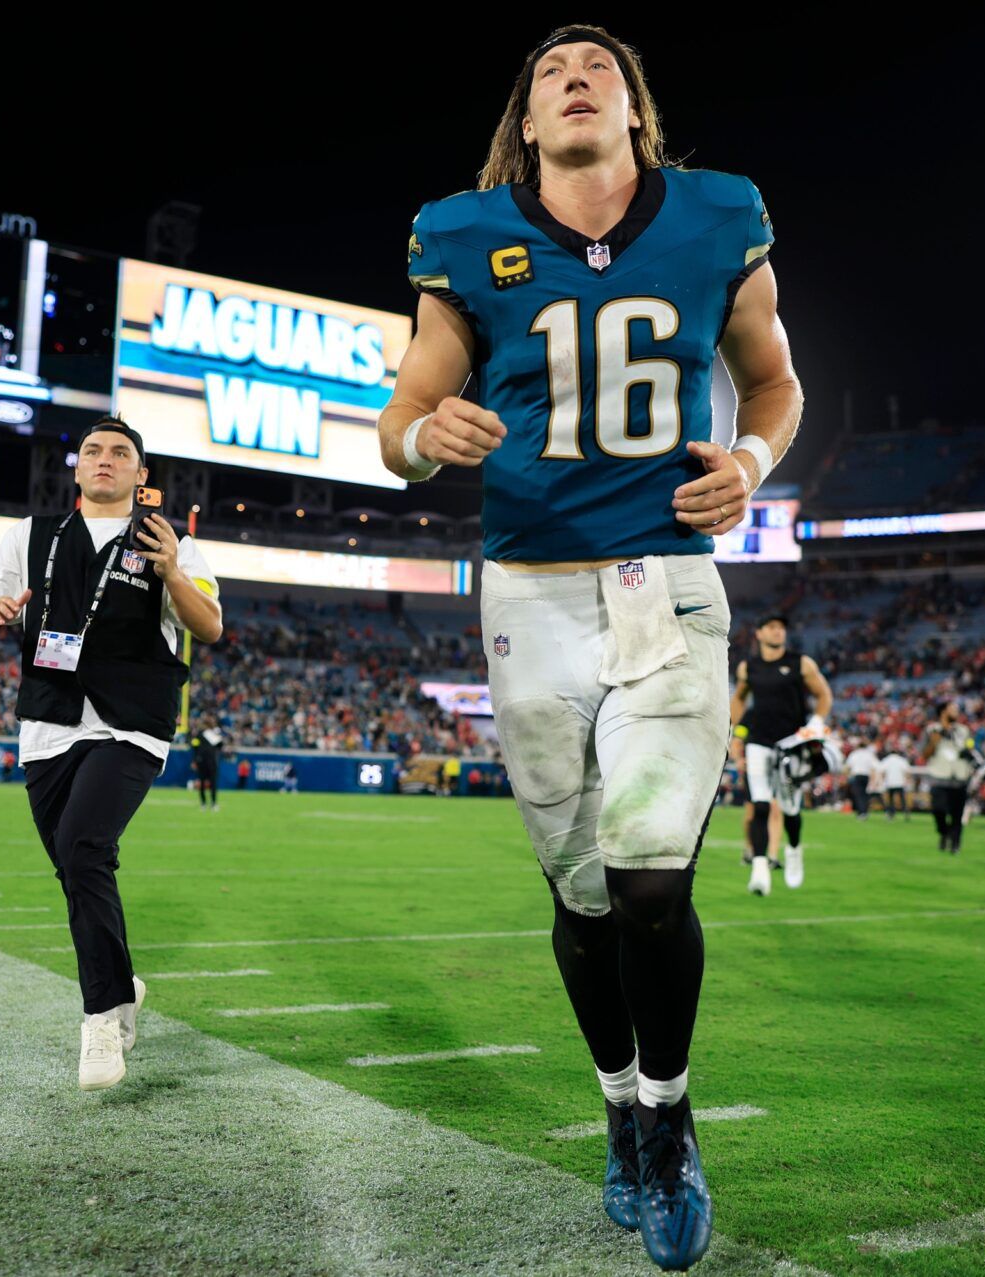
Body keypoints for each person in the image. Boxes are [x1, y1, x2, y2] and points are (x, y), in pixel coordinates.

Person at [383, 25, 802, 1268]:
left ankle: (668, 1121)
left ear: (634, 109)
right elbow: (400, 418)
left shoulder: (720, 216)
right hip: (527, 593)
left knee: (651, 876)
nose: (575, 76)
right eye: (551, 70)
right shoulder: (465, 233)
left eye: (599, 67)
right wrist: (425, 441)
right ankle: (618, 1103)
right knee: (578, 895)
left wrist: (749, 463)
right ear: (526, 118)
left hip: (665, 587)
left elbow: (773, 382)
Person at [0, 416, 222, 1093]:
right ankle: (122, 982)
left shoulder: (172, 543)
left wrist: (171, 574)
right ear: (76, 468)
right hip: (47, 726)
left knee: (81, 848)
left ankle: (102, 1017)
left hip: (130, 725)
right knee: (77, 868)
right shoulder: (31, 535)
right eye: (94, 452)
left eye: (121, 453)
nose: (105, 461)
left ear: (141, 475)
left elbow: (211, 626)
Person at [731, 615, 833, 895]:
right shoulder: (747, 667)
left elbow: (824, 695)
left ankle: (794, 850)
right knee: (760, 805)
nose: (778, 632)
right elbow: (739, 698)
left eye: (781, 627)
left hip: (792, 743)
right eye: (772, 627)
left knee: (790, 809)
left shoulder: (801, 663)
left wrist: (816, 723)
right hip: (759, 741)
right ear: (760, 633)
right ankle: (760, 867)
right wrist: (736, 733)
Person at [924, 703, 977, 855]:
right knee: (938, 810)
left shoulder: (963, 730)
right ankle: (944, 832)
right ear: (943, 712)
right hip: (939, 776)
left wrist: (969, 752)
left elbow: (970, 748)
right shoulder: (932, 730)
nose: (956, 712)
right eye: (952, 709)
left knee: (957, 813)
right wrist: (934, 741)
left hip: (959, 776)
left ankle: (955, 843)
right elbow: (925, 754)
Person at [189, 722, 223, 811]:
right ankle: (213, 804)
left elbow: (194, 746)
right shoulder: (212, 735)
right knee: (212, 784)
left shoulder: (200, 735)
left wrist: (195, 760)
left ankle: (204, 804)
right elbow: (220, 746)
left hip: (203, 762)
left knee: (204, 783)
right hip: (211, 763)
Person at [844, 737, 878, 820]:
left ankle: (861, 812)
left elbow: (847, 767)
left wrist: (848, 776)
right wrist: (873, 780)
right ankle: (864, 812)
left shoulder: (854, 754)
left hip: (857, 776)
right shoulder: (869, 754)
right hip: (866, 776)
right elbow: (873, 768)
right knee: (865, 795)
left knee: (858, 795)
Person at [879, 745, 910, 819]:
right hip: (900, 782)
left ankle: (891, 813)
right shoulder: (902, 760)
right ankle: (906, 812)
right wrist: (907, 780)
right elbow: (907, 772)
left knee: (890, 799)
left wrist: (883, 781)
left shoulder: (886, 760)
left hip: (890, 783)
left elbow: (882, 772)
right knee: (902, 799)